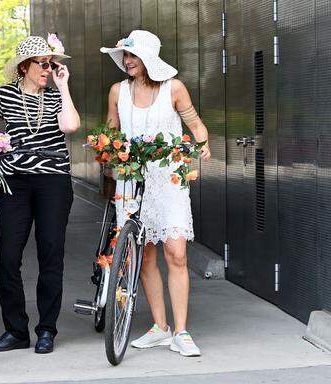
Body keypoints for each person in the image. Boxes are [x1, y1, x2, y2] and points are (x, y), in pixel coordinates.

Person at [0, 35, 80, 354]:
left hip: (54, 182)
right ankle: (16, 330)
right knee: (7, 254)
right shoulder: (4, 95)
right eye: (44, 64)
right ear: (25, 67)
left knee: (50, 253)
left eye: (54, 64)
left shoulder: (56, 98)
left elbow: (70, 126)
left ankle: (46, 330)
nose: (50, 69)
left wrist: (64, 85)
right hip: (14, 181)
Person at [102, 30, 211, 357]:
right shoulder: (117, 91)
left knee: (175, 253)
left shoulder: (173, 88)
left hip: (168, 180)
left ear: (149, 58)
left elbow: (196, 124)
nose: (128, 61)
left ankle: (181, 331)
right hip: (131, 177)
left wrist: (201, 147)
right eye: (125, 56)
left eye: (133, 56)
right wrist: (106, 151)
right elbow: (111, 130)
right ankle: (160, 328)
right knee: (142, 256)